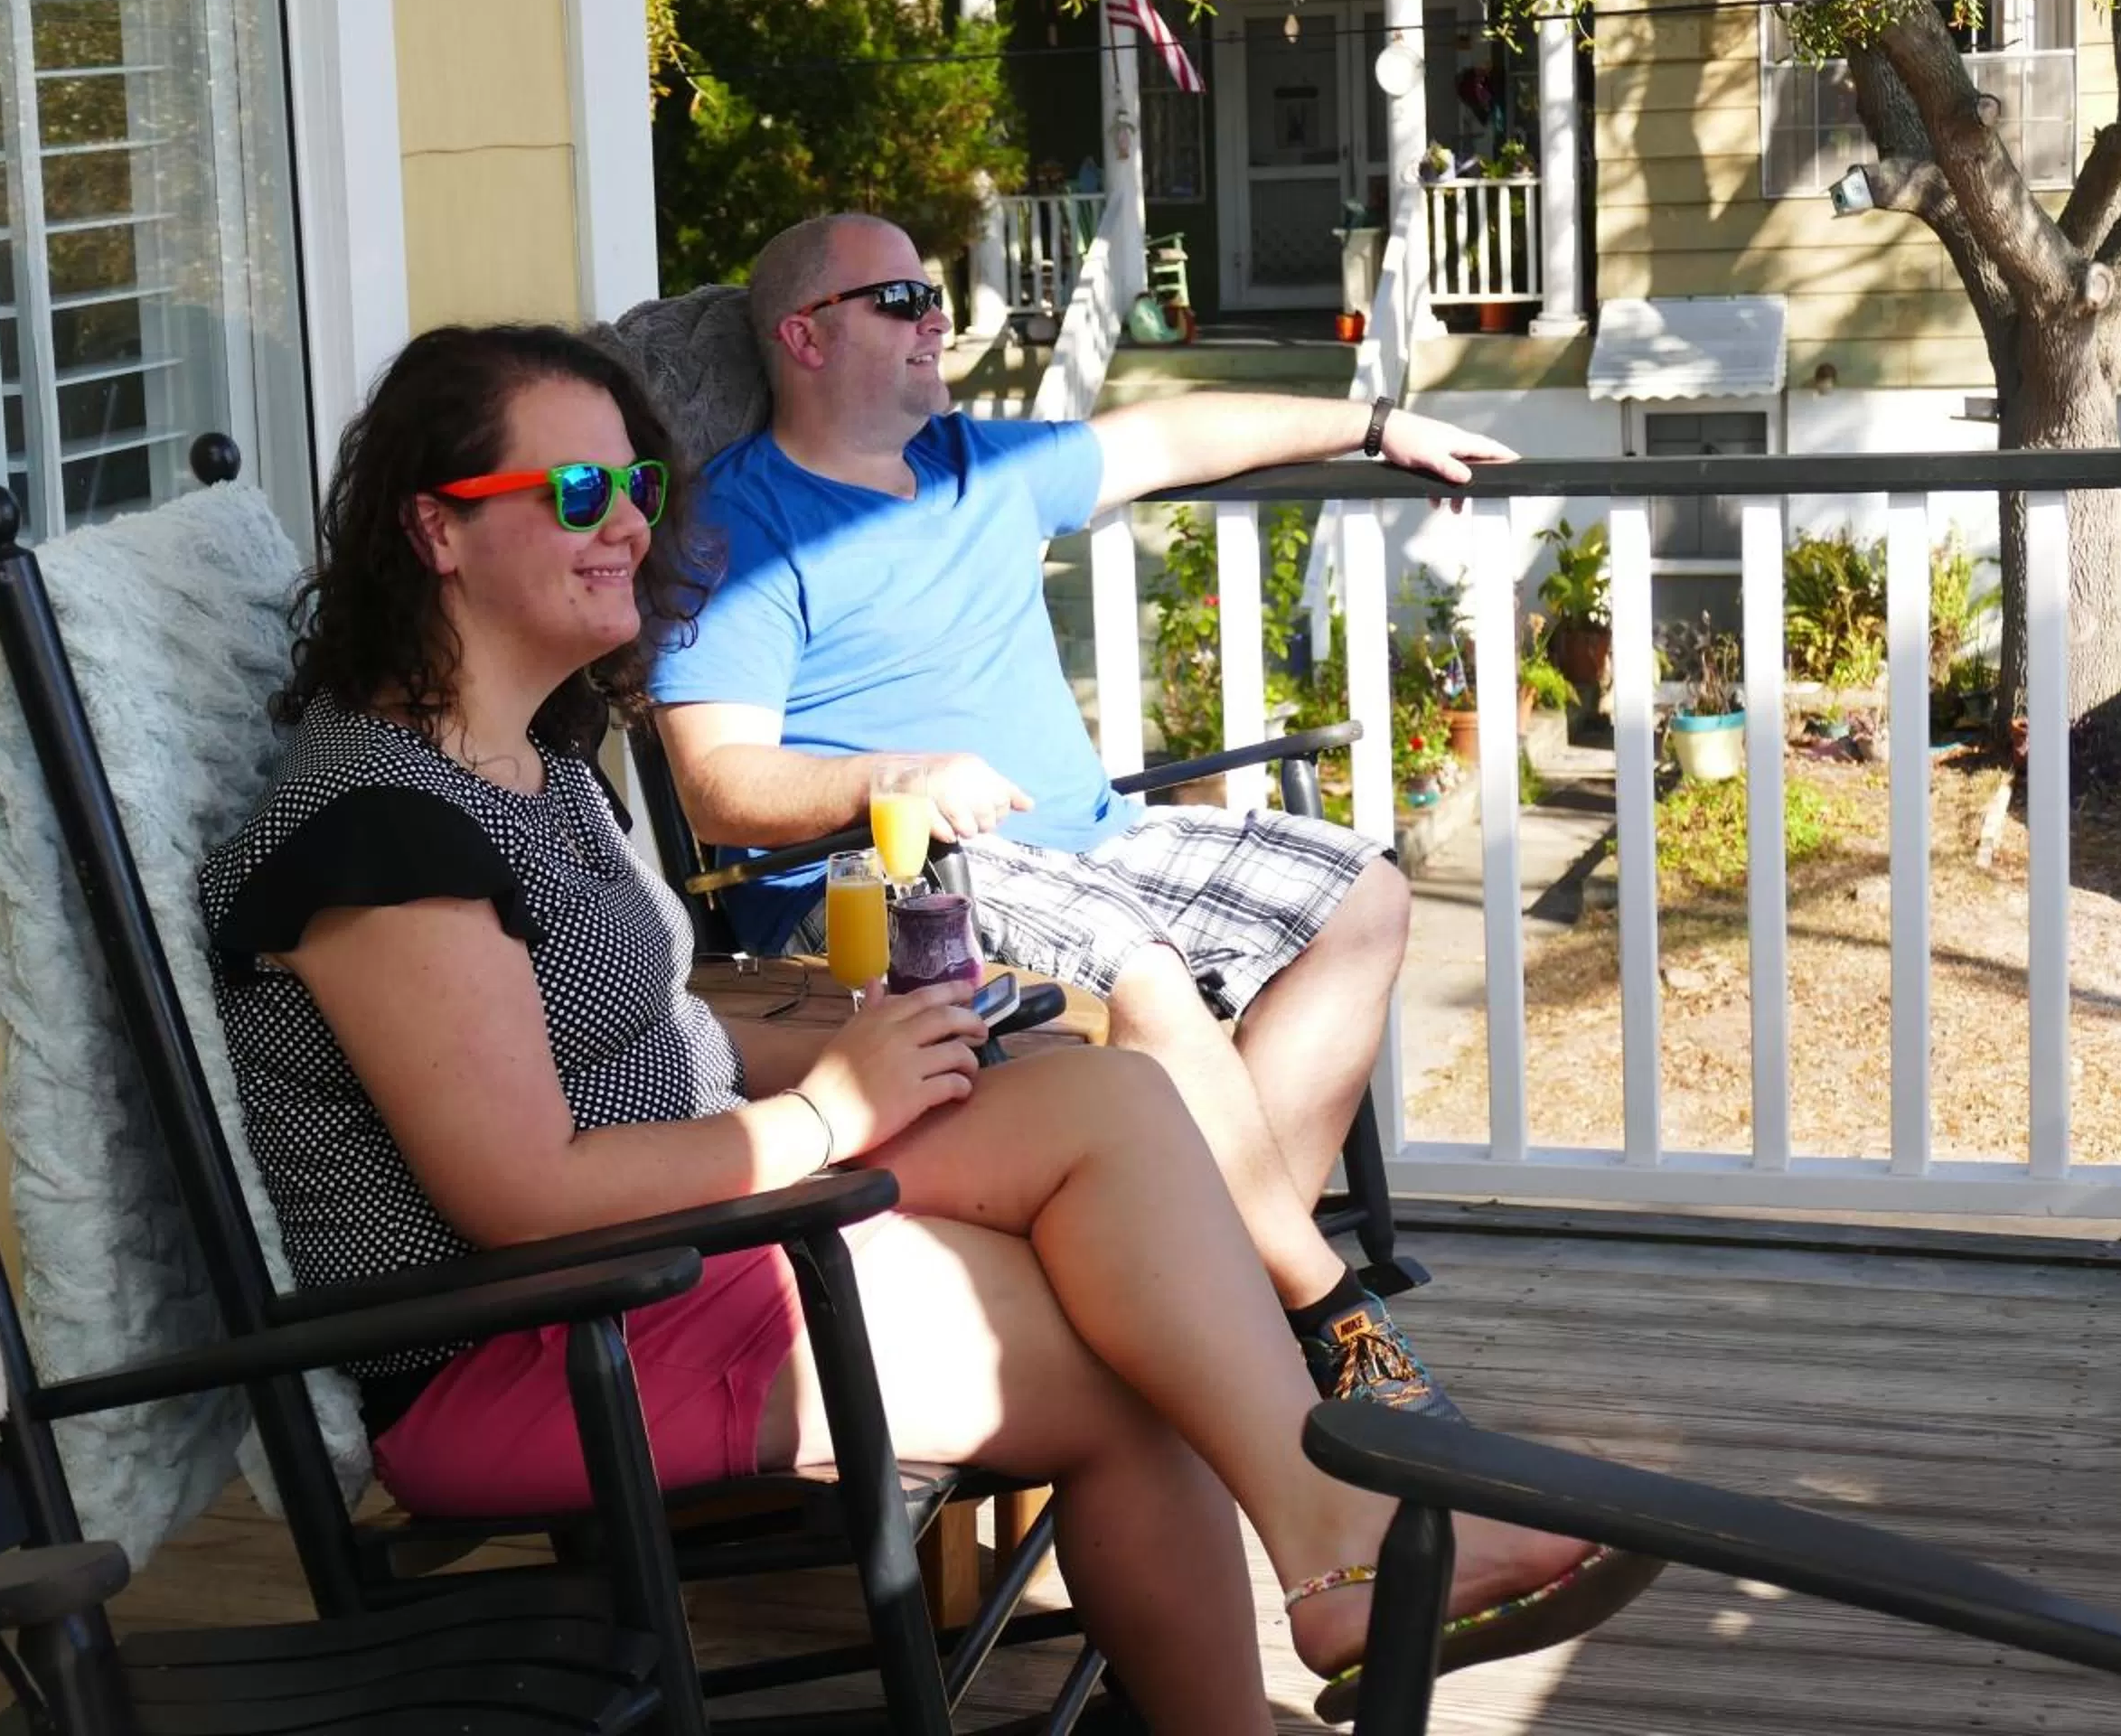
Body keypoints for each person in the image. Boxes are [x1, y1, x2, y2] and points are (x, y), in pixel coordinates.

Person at [195, 323, 1654, 1731]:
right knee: (1123, 1373)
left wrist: (884, 1043)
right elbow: (519, 1195)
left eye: (639, 483)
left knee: (1103, 1100)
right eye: (577, 490)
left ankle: (1330, 1540)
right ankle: (1335, 1556)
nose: (629, 521)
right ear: (434, 531)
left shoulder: (535, 767)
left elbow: (631, 1038)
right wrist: (834, 1107)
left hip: (664, 1252)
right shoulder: (376, 835)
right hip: (523, 1344)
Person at [648, 213, 1511, 1415]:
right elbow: (715, 778)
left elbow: (1171, 433)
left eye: (935, 294)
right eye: (899, 301)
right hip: (904, 872)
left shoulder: (975, 462)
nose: (936, 318)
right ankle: (1320, 1308)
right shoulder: (738, 528)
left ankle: (1210, 1298)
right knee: (1141, 967)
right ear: (804, 333)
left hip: (1091, 838)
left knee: (1361, 895)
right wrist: (885, 777)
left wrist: (1377, 424)